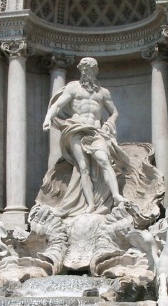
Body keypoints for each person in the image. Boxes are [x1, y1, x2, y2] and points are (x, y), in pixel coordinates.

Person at [42, 57, 129, 215]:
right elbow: (58, 104)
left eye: (88, 69)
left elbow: (114, 112)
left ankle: (116, 196)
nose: (85, 72)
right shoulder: (73, 88)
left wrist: (109, 123)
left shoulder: (103, 93)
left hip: (96, 131)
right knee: (83, 168)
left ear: (95, 71)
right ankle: (90, 205)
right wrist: (48, 118)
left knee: (104, 160)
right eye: (83, 69)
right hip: (77, 129)